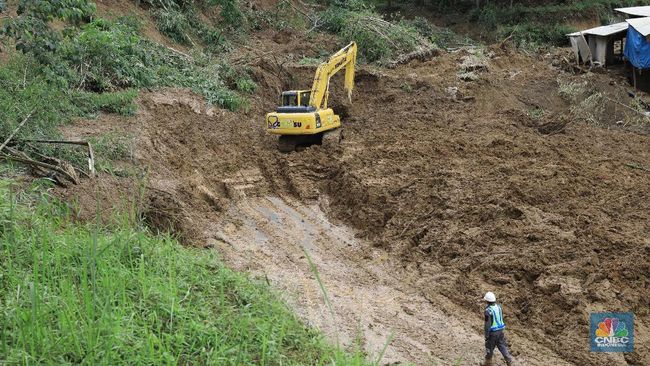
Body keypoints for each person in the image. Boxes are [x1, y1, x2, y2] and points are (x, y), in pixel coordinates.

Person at [481, 291, 514, 366]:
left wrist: (486, 336)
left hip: (493, 333)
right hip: (500, 331)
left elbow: (487, 325)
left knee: (489, 347)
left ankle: (488, 363)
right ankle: (509, 360)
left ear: (487, 301)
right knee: (502, 345)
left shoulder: (488, 311)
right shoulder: (499, 307)